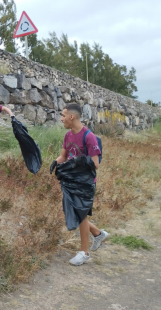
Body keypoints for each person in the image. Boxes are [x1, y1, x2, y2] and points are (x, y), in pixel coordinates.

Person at [50, 103, 109, 266]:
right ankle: (98, 234)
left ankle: (84, 253)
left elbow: (95, 163)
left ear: (72, 116)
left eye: (63, 115)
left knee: (81, 215)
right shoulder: (68, 136)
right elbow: (64, 156)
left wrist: (77, 162)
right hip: (71, 182)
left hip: (85, 184)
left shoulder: (88, 137)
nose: (61, 119)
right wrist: (55, 162)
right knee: (74, 213)